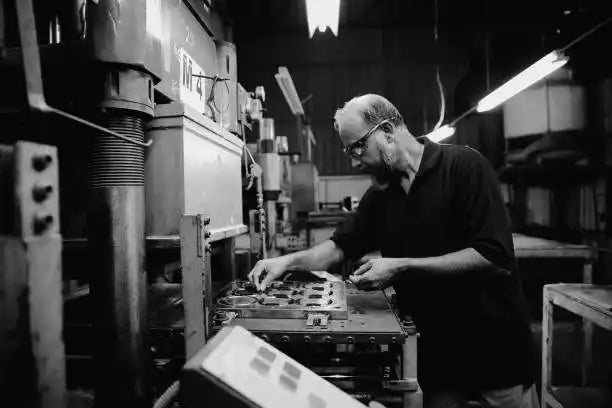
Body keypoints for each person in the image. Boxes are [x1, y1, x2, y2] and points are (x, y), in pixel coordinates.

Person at [248, 94, 537, 408]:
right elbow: (338, 248)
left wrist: (401, 266)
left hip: (494, 347)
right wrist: (284, 262)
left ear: (386, 130)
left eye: (357, 147)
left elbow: (493, 256)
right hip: (439, 357)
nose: (354, 160)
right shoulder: (380, 197)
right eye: (348, 150)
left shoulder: (464, 168)